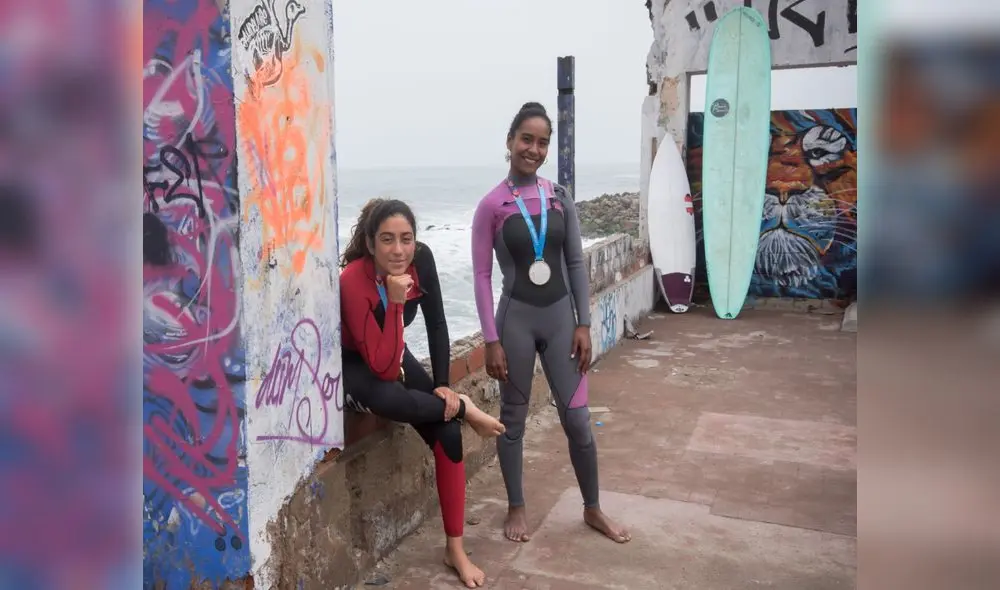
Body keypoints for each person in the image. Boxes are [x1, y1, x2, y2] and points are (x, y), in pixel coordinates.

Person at [470, 102, 631, 544]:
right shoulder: (491, 206)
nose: (534, 149)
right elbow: (483, 276)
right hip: (515, 324)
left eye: (542, 142)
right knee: (513, 420)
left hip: (562, 321)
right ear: (510, 142)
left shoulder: (560, 199)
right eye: (526, 139)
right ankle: (517, 506)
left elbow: (575, 262)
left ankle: (593, 508)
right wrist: (490, 339)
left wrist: (584, 323)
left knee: (577, 421)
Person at [340, 198, 505, 588]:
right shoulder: (352, 279)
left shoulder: (421, 261)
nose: (398, 250)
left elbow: (436, 325)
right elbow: (379, 367)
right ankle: (467, 409)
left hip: (393, 351)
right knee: (389, 401)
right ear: (370, 243)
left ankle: (455, 548)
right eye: (387, 240)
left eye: (406, 239)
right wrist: (396, 301)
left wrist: (444, 385)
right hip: (353, 363)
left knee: (446, 431)